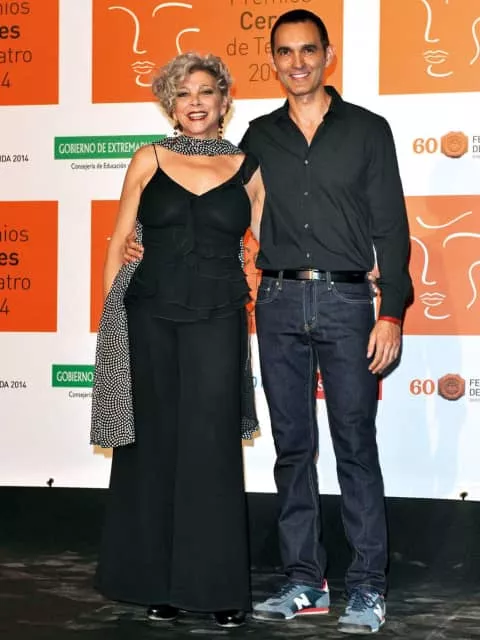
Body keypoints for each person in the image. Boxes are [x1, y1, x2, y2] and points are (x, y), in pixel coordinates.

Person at [124, 9, 413, 635]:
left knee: (355, 445)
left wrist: (391, 310)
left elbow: (392, 226)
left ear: (327, 55)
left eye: (308, 50)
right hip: (276, 300)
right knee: (292, 448)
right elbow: (214, 205)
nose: (297, 62)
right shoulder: (256, 137)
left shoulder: (369, 130)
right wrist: (148, 245)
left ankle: (368, 586)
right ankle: (305, 580)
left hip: (346, 302)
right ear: (274, 61)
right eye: (285, 52)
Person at [91, 51, 264, 629]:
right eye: (184, 92)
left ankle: (217, 587)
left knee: (211, 447)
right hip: (149, 316)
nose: (195, 101)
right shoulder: (148, 158)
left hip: (219, 315)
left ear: (223, 101)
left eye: (206, 91)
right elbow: (118, 242)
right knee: (155, 447)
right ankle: (156, 582)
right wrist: (111, 325)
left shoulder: (248, 168)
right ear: (171, 103)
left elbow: (268, 247)